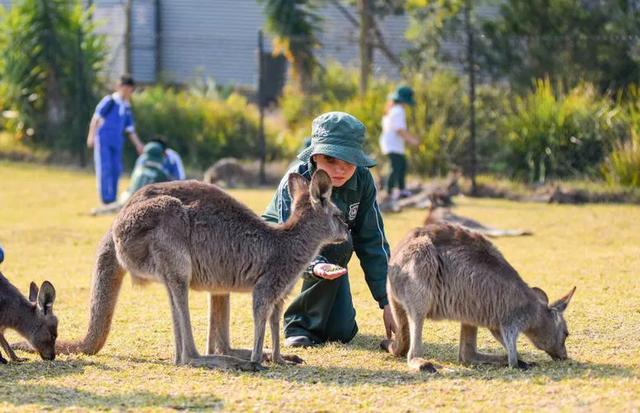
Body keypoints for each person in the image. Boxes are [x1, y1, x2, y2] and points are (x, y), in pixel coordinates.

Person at [262, 111, 396, 347]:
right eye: (330, 159)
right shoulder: (297, 178)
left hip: (330, 250)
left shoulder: (363, 181)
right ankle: (298, 324)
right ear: (314, 157)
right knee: (335, 244)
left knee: (342, 332)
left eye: (348, 161)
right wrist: (316, 265)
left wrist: (389, 301)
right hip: (276, 247)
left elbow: (372, 241)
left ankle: (320, 319)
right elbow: (289, 241)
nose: (340, 170)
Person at [86, 74, 144, 206]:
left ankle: (113, 197)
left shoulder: (127, 107)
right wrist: (91, 136)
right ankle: (105, 199)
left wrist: (139, 145)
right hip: (104, 139)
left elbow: (130, 130)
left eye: (131, 90)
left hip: (117, 141)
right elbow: (96, 118)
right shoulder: (110, 101)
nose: (129, 92)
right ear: (120, 87)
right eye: (127, 89)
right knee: (104, 167)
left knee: (116, 168)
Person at [379, 85, 419, 199]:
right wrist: (411, 140)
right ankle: (389, 190)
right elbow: (399, 130)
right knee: (396, 167)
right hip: (392, 145)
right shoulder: (398, 110)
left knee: (402, 165)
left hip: (393, 144)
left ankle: (401, 189)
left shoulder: (393, 109)